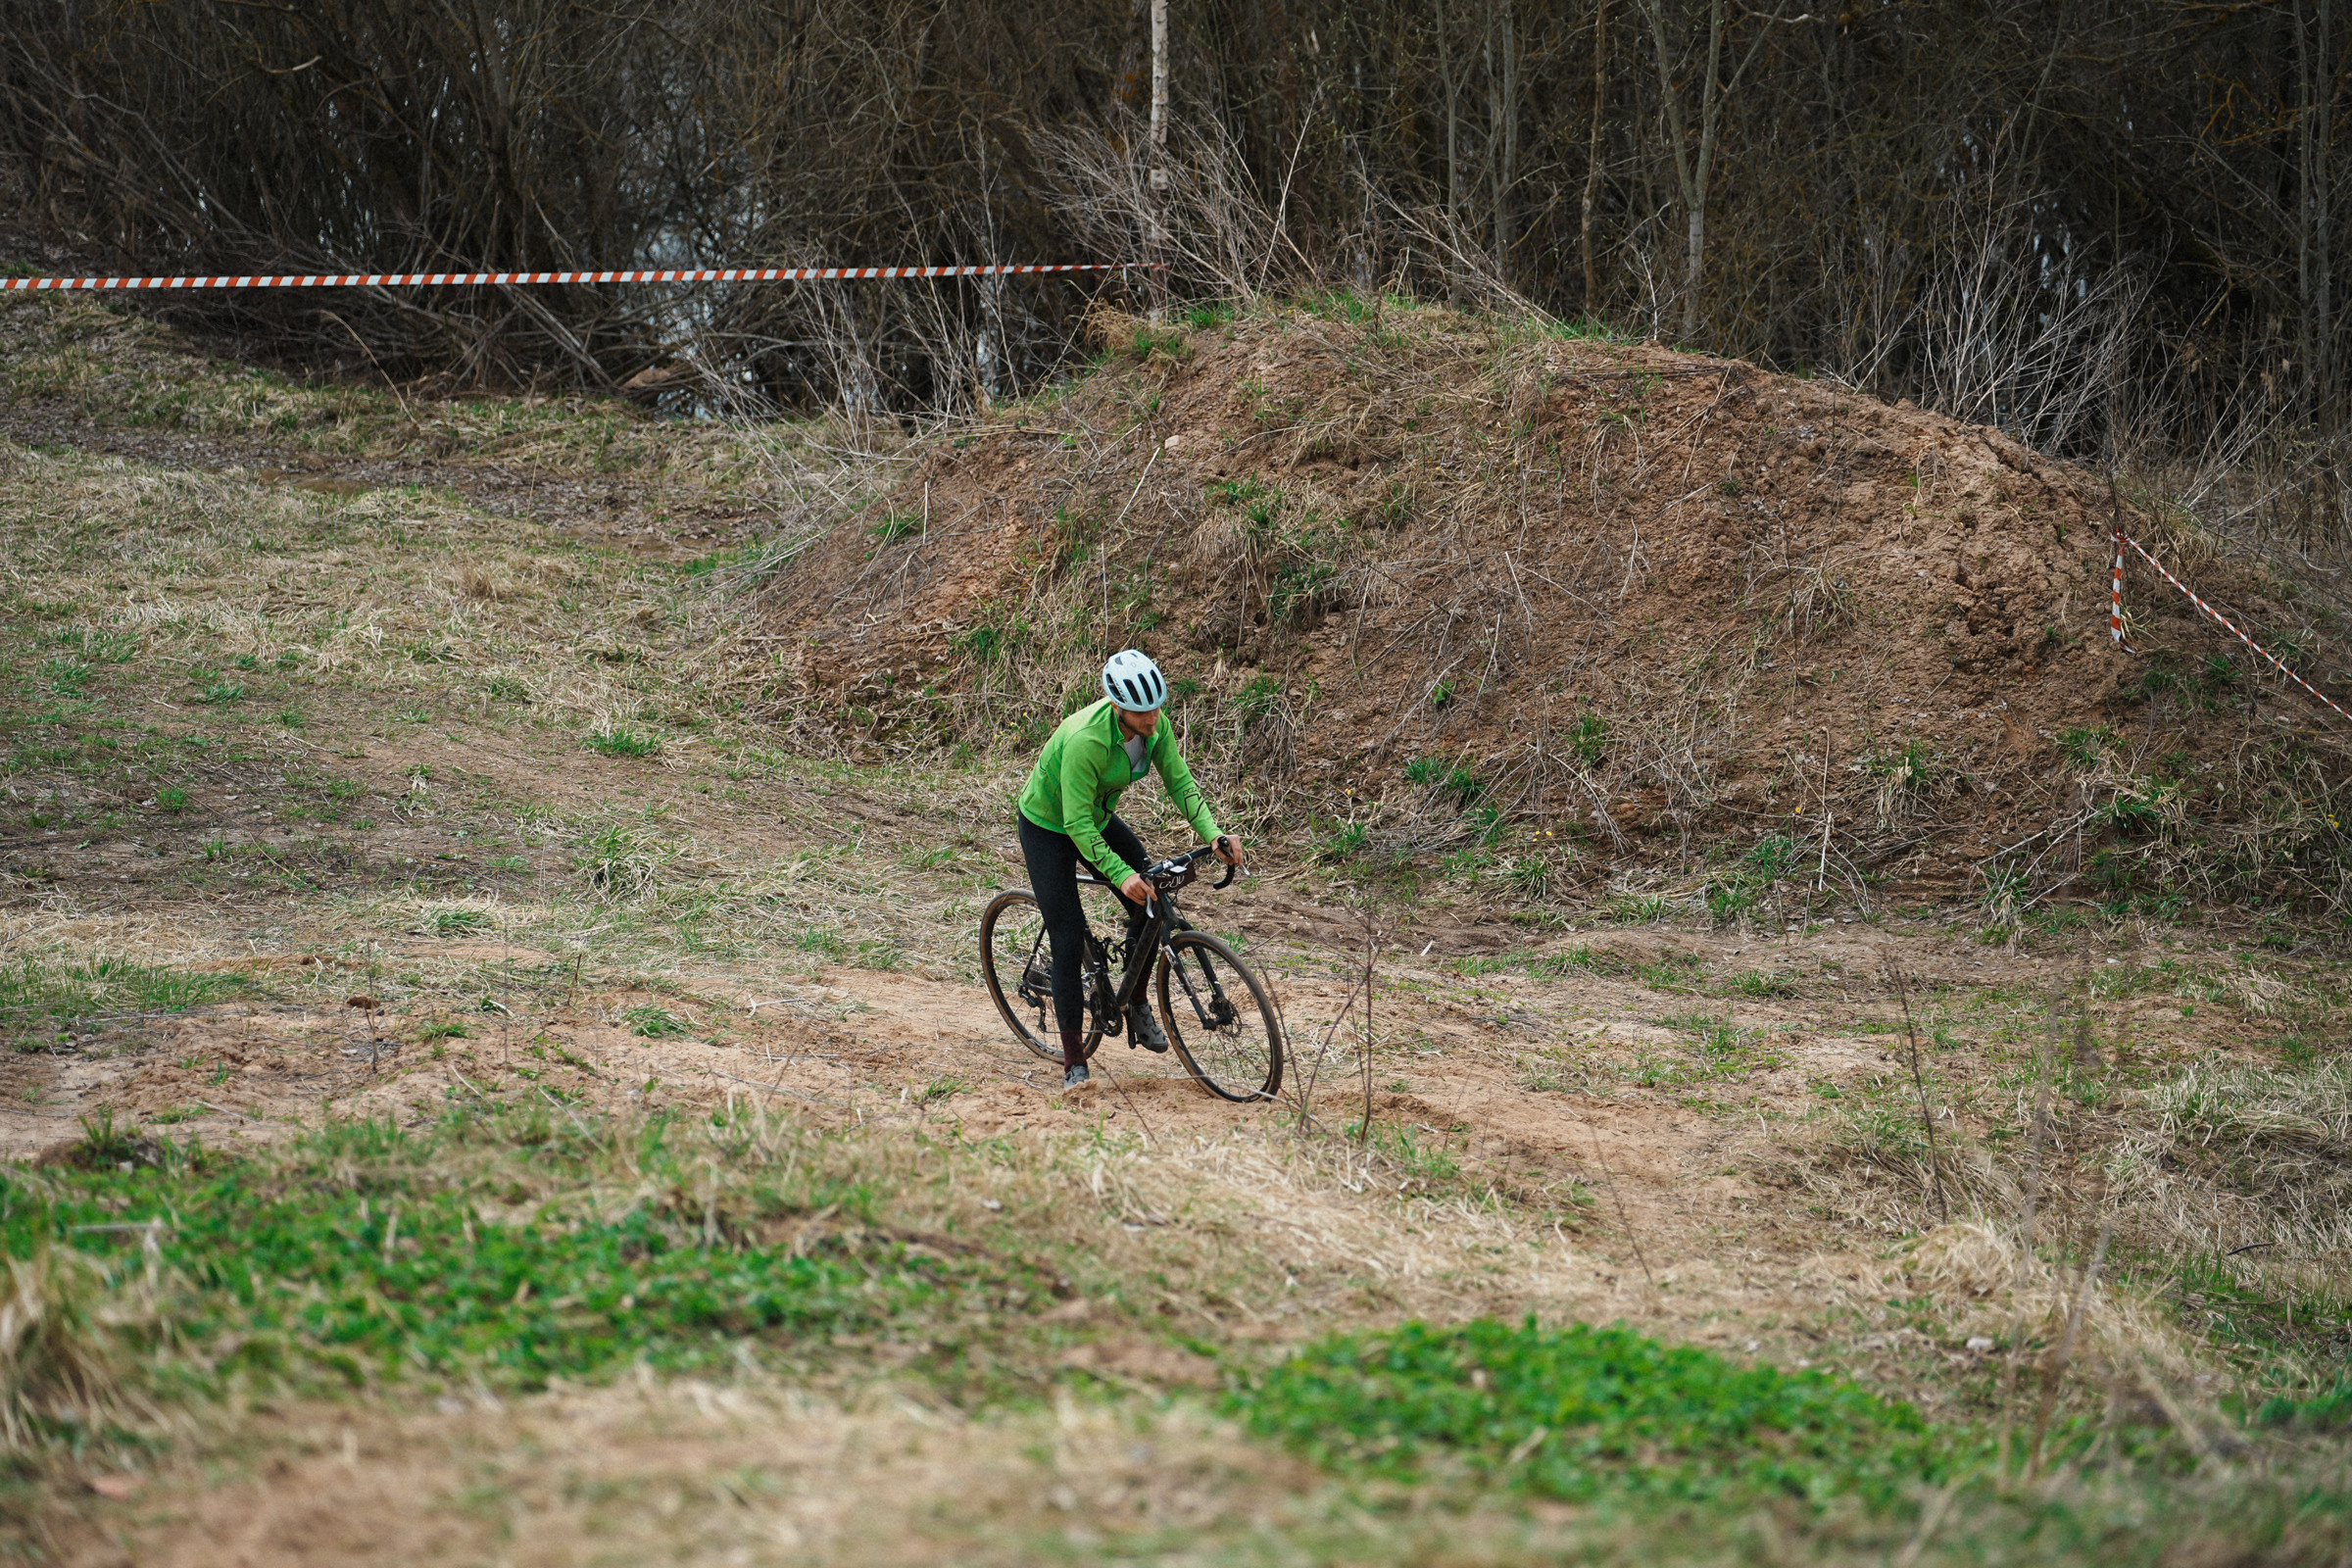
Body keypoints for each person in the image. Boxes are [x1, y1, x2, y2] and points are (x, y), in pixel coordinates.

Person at [1015, 650, 1246, 1089]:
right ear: (1118, 707)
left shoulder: (1155, 727)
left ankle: (1137, 1001)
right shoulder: (1086, 739)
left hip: (1094, 817)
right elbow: (1075, 824)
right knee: (1067, 936)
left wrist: (1214, 834)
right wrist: (1121, 875)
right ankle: (1074, 1061)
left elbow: (1180, 782)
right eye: (1142, 712)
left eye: (1157, 707)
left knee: (1153, 897)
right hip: (1049, 825)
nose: (1153, 718)